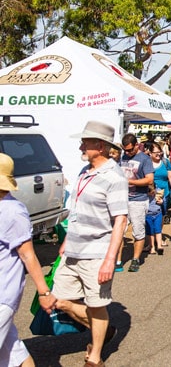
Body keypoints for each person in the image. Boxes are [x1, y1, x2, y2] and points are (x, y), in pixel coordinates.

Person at [52, 121, 128, 366]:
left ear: (101, 146)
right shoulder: (85, 171)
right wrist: (66, 240)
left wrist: (110, 259)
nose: (81, 145)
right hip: (74, 248)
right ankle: (103, 331)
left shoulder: (114, 177)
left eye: (86, 142)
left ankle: (95, 357)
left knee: (96, 305)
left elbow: (120, 220)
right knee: (58, 300)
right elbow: (77, 211)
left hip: (97, 253)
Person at [0, 153, 58, 367]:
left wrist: (44, 292)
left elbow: (27, 254)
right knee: (13, 352)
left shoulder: (12, 211)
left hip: (3, 293)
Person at [119, 133, 154, 273]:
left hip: (138, 200)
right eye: (125, 150)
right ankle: (118, 260)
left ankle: (135, 259)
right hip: (122, 199)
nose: (127, 153)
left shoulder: (145, 159)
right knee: (119, 231)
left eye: (130, 150)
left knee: (138, 232)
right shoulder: (121, 157)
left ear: (136, 145)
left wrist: (130, 182)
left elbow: (149, 179)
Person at [148, 142, 171, 224]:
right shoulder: (147, 163)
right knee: (153, 216)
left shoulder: (165, 162)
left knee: (162, 215)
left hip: (165, 193)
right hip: (152, 194)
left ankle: (158, 233)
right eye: (155, 153)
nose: (158, 154)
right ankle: (154, 234)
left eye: (159, 152)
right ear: (150, 153)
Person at [144, 185, 164, 255]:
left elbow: (162, 198)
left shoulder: (158, 190)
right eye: (151, 193)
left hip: (158, 213)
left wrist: (162, 201)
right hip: (148, 215)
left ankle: (159, 246)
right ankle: (152, 247)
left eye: (153, 192)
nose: (152, 194)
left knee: (158, 230)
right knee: (150, 232)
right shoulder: (144, 194)